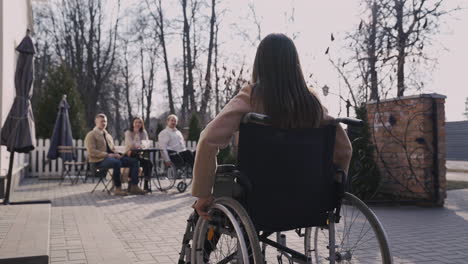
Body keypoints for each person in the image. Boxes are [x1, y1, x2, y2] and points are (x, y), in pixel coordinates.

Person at [191, 33, 353, 219]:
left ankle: (206, 247)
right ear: (295, 64)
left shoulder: (252, 97)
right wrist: (333, 187)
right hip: (309, 197)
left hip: (259, 198)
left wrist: (203, 193)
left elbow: (208, 138)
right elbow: (345, 150)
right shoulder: (313, 104)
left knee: (219, 191)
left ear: (260, 63)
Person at [84, 113, 146, 195]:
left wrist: (118, 154)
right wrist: (107, 155)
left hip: (112, 158)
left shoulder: (108, 135)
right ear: (96, 122)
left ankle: (134, 186)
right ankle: (118, 188)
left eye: (105, 121)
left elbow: (112, 149)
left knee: (134, 161)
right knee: (116, 163)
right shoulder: (91, 135)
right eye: (101, 121)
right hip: (98, 161)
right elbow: (91, 151)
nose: (104, 123)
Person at [124, 117, 153, 191]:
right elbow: (131, 145)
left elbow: (146, 143)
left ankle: (146, 185)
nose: (138, 124)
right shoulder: (128, 132)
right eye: (136, 122)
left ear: (142, 124)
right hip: (129, 154)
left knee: (149, 163)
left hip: (139, 154)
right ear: (133, 123)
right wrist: (136, 136)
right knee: (134, 161)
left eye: (139, 122)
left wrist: (142, 146)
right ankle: (131, 184)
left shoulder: (144, 132)